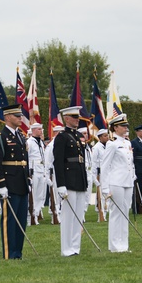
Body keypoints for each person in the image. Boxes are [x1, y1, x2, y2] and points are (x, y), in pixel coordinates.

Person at [0, 105, 30, 259]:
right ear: (7, 117)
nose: (20, 118)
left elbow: (25, 160)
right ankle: (9, 253)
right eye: (16, 116)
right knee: (10, 221)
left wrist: (28, 179)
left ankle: (17, 252)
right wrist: (0, 184)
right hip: (9, 182)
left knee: (21, 220)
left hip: (21, 182)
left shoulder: (20, 135)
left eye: (20, 116)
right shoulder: (0, 137)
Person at [53, 106, 89, 256]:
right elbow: (58, 162)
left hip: (79, 178)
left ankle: (75, 247)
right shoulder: (62, 137)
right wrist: (61, 185)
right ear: (66, 118)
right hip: (68, 180)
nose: (77, 120)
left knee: (78, 216)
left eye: (78, 117)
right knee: (68, 217)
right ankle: (66, 248)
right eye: (74, 117)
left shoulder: (79, 136)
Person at [100, 113, 135, 253]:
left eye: (126, 125)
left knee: (125, 212)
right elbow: (105, 166)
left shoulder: (127, 143)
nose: (125, 128)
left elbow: (130, 163)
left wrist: (133, 176)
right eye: (123, 126)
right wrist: (105, 187)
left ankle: (124, 244)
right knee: (116, 213)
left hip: (128, 181)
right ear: (115, 127)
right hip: (116, 182)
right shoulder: (111, 144)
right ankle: (115, 246)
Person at [27, 122, 47, 223]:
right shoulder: (29, 142)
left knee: (40, 195)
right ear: (33, 130)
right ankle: (31, 216)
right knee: (33, 194)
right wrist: (29, 173)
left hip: (41, 170)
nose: (41, 131)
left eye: (41, 129)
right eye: (39, 129)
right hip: (34, 170)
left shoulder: (40, 142)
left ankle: (37, 213)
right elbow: (27, 157)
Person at [131, 124, 142, 213]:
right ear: (138, 132)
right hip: (138, 168)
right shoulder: (134, 142)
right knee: (137, 189)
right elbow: (133, 157)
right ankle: (136, 207)